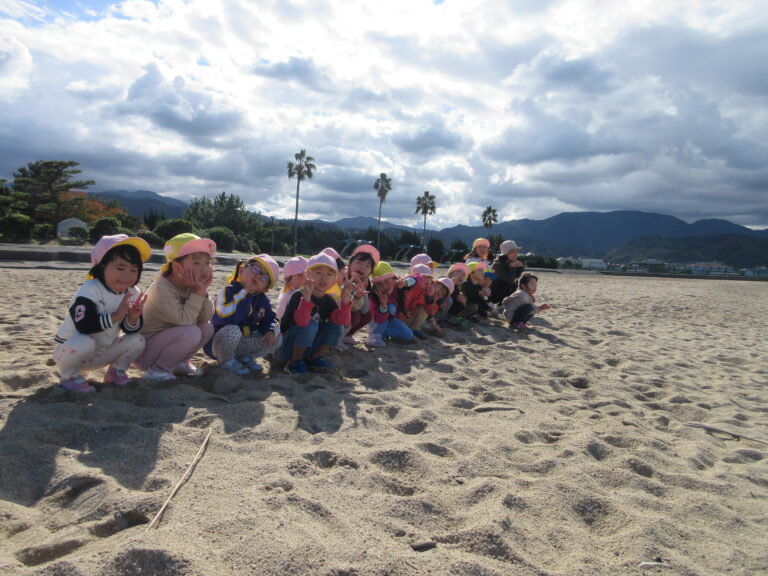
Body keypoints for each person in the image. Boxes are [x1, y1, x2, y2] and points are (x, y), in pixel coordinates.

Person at [53, 234, 151, 393]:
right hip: (72, 352)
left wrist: (132, 319)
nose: (127, 275)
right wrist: (116, 316)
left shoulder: (133, 292)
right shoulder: (90, 289)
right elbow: (83, 325)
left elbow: (130, 330)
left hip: (102, 353)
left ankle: (116, 371)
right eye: (120, 268)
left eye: (134, 270)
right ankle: (69, 377)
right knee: (84, 341)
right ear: (101, 266)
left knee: (137, 339)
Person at [135, 233, 216, 381]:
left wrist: (202, 292)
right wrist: (197, 293)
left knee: (207, 327)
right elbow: (184, 320)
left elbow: (205, 317)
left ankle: (181, 362)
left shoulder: (191, 285)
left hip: (171, 341)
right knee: (191, 332)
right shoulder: (162, 288)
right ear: (177, 267)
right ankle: (158, 370)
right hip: (145, 352)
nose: (205, 269)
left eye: (208, 262)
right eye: (197, 263)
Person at [276, 252, 353, 374]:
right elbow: (302, 322)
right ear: (307, 275)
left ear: (334, 281)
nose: (324, 278)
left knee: (337, 326)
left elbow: (342, 321)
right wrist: (307, 296)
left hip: (308, 346)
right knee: (310, 324)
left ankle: (316, 357)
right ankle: (294, 362)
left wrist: (345, 299)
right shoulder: (298, 295)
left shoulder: (329, 300)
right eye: (318, 273)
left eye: (329, 274)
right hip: (286, 347)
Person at [204, 254, 280, 375]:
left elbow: (271, 318)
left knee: (277, 337)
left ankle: (243, 357)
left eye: (264, 278)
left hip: (242, 342)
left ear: (265, 289)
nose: (258, 276)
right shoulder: (228, 291)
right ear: (241, 270)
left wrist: (270, 330)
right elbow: (227, 318)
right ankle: (226, 361)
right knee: (233, 330)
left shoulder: (262, 300)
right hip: (218, 343)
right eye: (256, 269)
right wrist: (245, 294)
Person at [366, 261, 414, 347]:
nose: (384, 286)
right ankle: (375, 335)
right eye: (379, 284)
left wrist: (406, 282)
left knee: (408, 335)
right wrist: (383, 305)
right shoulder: (373, 296)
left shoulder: (398, 287)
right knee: (390, 307)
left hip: (391, 320)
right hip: (376, 324)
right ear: (375, 286)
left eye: (387, 282)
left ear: (394, 280)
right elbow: (377, 319)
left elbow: (419, 278)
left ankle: (383, 333)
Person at [343, 244, 380, 344]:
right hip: (337, 311)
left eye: (367, 266)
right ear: (349, 265)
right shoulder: (342, 277)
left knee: (368, 315)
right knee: (354, 315)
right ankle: (338, 336)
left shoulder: (365, 284)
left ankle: (347, 335)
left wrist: (362, 289)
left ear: (370, 273)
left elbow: (365, 310)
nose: (362, 267)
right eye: (358, 262)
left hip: (351, 311)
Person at [401, 263, 439, 339]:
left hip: (413, 317)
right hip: (404, 316)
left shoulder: (425, 291)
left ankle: (414, 329)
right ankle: (407, 330)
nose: (427, 282)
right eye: (424, 278)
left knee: (424, 309)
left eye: (429, 279)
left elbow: (431, 311)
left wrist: (430, 297)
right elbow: (404, 304)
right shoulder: (407, 289)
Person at [490, 240, 526, 306]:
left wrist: (521, 267)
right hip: (493, 295)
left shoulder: (511, 262)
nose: (516, 253)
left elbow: (516, 277)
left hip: (505, 294)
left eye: (516, 251)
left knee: (519, 283)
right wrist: (511, 267)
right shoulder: (497, 265)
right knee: (504, 284)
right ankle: (501, 304)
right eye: (513, 251)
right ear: (505, 253)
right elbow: (509, 280)